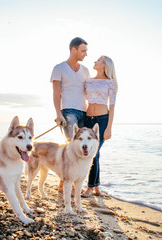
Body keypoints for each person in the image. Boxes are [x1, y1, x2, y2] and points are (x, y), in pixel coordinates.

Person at [50, 37, 90, 192]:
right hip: (68, 111)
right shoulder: (59, 68)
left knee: (82, 148)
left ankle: (75, 182)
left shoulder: (85, 70)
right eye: (83, 50)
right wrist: (58, 113)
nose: (86, 54)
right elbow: (56, 93)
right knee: (70, 146)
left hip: (84, 111)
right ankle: (63, 183)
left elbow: (87, 93)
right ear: (74, 50)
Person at [81, 55, 118, 197]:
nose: (95, 61)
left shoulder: (110, 83)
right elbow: (82, 97)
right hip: (87, 119)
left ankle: (90, 188)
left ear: (105, 65)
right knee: (95, 154)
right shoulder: (88, 81)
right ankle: (96, 187)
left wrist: (109, 127)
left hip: (102, 120)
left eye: (98, 60)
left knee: (93, 153)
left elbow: (112, 106)